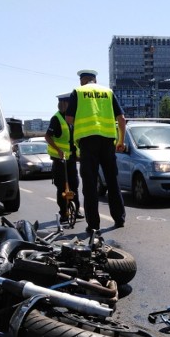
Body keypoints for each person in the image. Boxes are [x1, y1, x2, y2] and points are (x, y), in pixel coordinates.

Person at [65, 69, 126, 233]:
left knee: (90, 184)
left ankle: (93, 224)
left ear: (82, 81)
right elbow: (121, 119)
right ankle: (119, 219)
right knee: (112, 181)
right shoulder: (108, 92)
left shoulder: (78, 92)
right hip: (107, 141)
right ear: (95, 80)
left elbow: (69, 119)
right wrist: (120, 141)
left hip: (87, 142)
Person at [45, 92, 82, 223]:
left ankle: (76, 211)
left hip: (71, 158)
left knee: (74, 185)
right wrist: (58, 150)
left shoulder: (72, 118)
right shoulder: (56, 119)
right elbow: (47, 137)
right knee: (62, 187)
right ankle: (64, 213)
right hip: (59, 159)